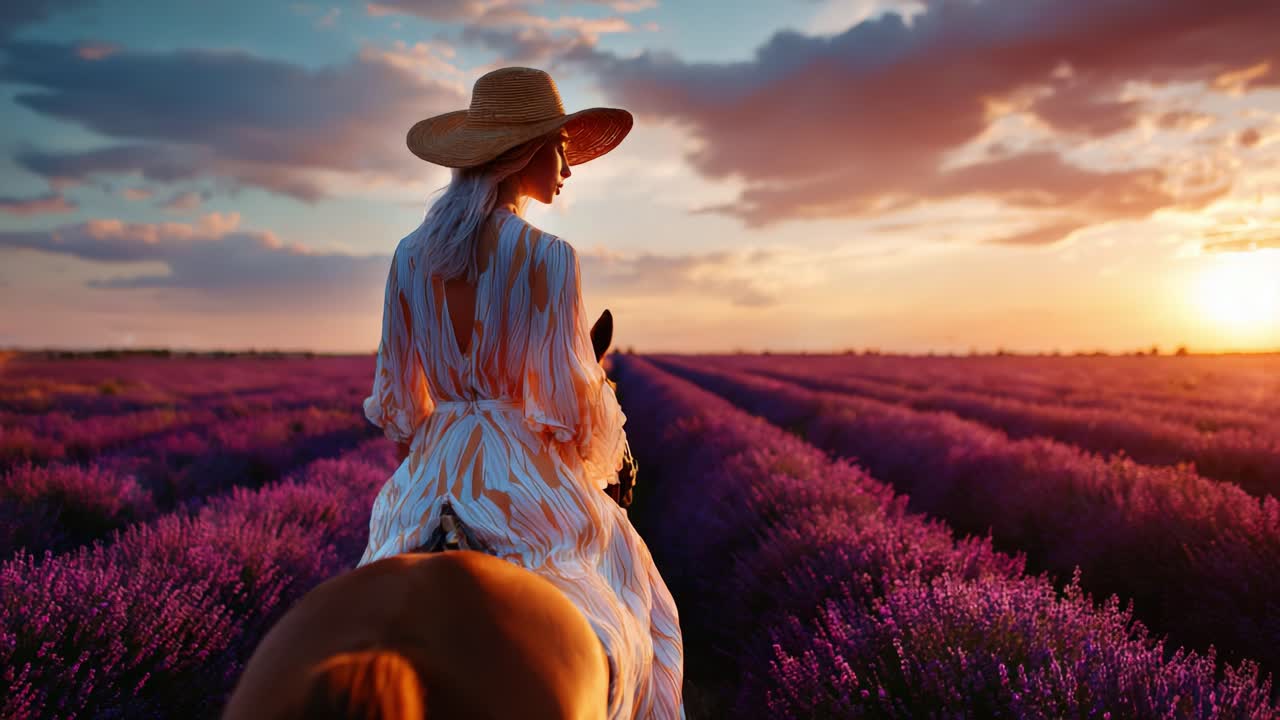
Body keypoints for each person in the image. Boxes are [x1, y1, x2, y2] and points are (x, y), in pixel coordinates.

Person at [357, 67, 686, 718]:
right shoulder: (550, 257)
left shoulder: (408, 255)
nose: (568, 167)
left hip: (431, 471)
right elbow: (570, 409)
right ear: (525, 151)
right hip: (519, 469)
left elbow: (398, 402)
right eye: (560, 148)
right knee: (642, 601)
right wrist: (596, 465)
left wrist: (435, 453)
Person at [221, 550, 611, 719]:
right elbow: (576, 422)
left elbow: (399, 414)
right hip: (528, 466)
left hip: (433, 462)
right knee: (628, 600)